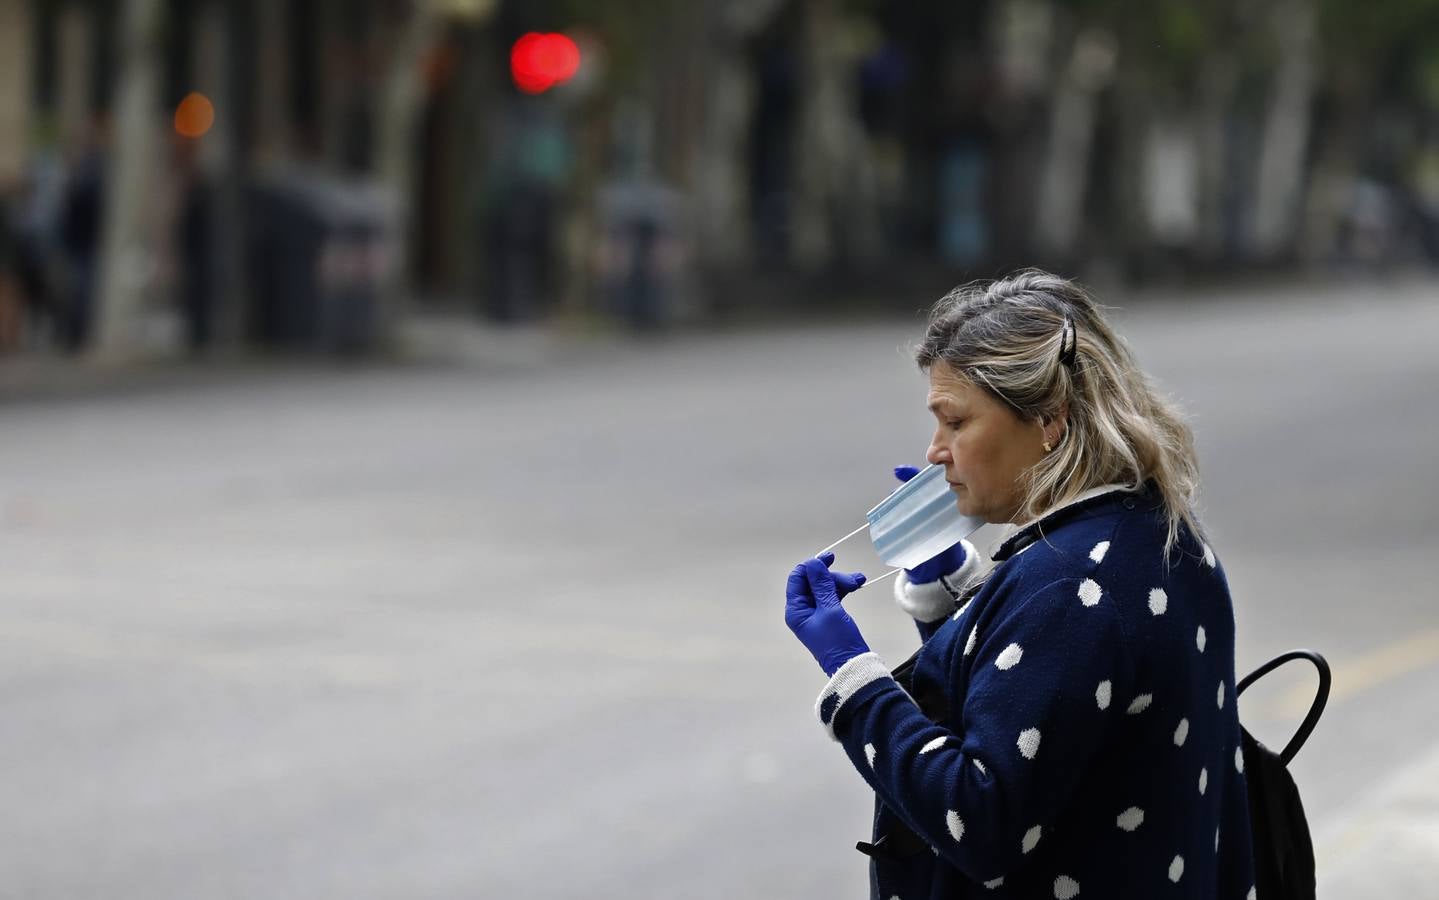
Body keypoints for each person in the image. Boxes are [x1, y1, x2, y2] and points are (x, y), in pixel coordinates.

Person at [784, 270, 1255, 899]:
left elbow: (979, 819)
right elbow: (1050, 708)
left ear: (1050, 419)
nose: (934, 451)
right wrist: (955, 593)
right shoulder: (1159, 534)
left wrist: (853, 676)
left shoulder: (1070, 585)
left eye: (955, 422)